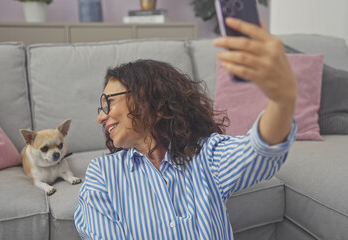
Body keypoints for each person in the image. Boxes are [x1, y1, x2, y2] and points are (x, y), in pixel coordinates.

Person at [74, 17, 297, 239]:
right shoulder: (102, 174)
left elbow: (256, 152)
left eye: (108, 102)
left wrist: (282, 101)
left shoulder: (206, 155)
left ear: (146, 97)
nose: (100, 117)